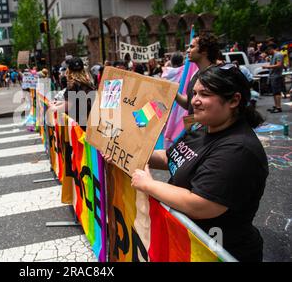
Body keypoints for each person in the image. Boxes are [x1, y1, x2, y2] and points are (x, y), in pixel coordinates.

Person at [106, 65, 268, 262]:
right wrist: (131, 151)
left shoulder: (239, 150)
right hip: (184, 245)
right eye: (194, 93)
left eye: (205, 94)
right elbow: (170, 157)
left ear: (234, 100)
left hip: (218, 252)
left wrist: (148, 184)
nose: (195, 101)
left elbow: (201, 205)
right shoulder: (203, 127)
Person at [175, 33, 220, 115]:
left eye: (192, 47)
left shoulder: (216, 77)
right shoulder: (195, 74)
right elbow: (189, 104)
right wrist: (173, 92)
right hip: (194, 126)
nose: (187, 50)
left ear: (204, 51)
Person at [49, 57, 96, 130]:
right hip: (91, 121)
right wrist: (59, 103)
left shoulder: (72, 84)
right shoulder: (89, 83)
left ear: (68, 70)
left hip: (79, 125)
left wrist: (54, 108)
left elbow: (69, 105)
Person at [263, 44, 284, 113]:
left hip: (276, 76)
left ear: (271, 49)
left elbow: (279, 65)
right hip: (273, 76)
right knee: (274, 92)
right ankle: (276, 106)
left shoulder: (278, 55)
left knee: (277, 92)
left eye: (268, 51)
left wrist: (267, 67)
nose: (268, 53)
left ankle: (278, 107)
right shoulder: (273, 55)